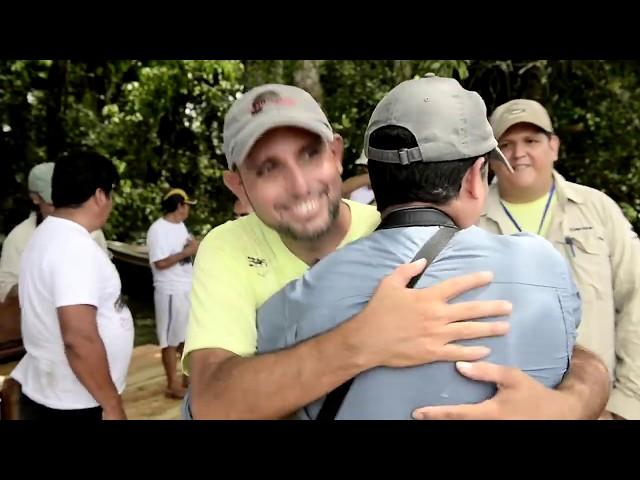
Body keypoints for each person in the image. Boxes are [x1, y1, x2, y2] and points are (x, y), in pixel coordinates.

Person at [183, 83, 608, 420]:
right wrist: (363, 340)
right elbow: (213, 404)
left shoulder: (392, 230)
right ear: (238, 185)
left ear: (336, 154)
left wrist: (565, 407)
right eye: (268, 168)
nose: (298, 185)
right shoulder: (228, 249)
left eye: (310, 154)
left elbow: (574, 351)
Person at [479, 98, 640, 420]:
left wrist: (624, 405)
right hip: (500, 408)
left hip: (596, 409)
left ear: (554, 146)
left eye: (531, 141)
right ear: (491, 158)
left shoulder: (598, 209)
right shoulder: (472, 220)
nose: (518, 153)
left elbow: (636, 299)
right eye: (506, 144)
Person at [10, 151, 134, 420]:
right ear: (101, 195)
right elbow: (79, 338)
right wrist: (112, 404)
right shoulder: (74, 248)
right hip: (76, 402)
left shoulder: (46, 234)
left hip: (55, 392)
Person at [0, 162, 109, 303]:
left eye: (64, 201)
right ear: (35, 198)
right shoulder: (20, 238)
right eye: (53, 203)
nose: (60, 209)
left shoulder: (92, 232)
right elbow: (5, 290)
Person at [146, 188, 199, 399]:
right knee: (169, 340)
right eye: (187, 206)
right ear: (179, 206)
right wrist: (188, 252)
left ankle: (189, 381)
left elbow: (187, 250)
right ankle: (172, 385)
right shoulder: (157, 230)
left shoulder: (181, 226)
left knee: (188, 337)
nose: (188, 210)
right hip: (170, 291)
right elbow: (160, 263)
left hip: (187, 288)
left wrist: (193, 247)